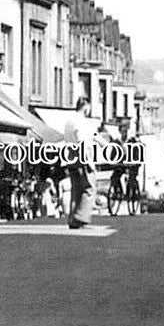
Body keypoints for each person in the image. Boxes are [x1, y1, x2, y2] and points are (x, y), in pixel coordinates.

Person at [64, 97, 96, 229]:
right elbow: (82, 141)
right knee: (88, 188)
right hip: (82, 157)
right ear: (86, 106)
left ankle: (72, 218)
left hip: (71, 156)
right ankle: (81, 218)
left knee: (76, 189)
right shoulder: (82, 122)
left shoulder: (69, 121)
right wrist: (88, 161)